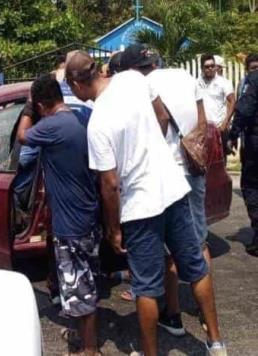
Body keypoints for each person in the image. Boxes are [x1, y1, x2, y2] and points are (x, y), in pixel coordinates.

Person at [64, 50, 226, 356]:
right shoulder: (133, 79)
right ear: (97, 68)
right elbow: (162, 116)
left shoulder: (97, 123)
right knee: (196, 267)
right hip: (174, 189)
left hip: (141, 206)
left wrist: (113, 230)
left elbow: (110, 184)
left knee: (146, 287)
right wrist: (155, 151)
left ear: (75, 83)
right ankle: (216, 343)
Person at [121, 44, 213, 338]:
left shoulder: (139, 87)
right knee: (199, 242)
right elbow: (203, 121)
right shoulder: (186, 77)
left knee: (165, 252)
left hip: (165, 177)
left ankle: (172, 315)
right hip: (193, 166)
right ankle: (206, 314)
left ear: (132, 69)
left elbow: (147, 129)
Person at [17, 74, 100, 356]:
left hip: (70, 223)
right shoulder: (77, 119)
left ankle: (89, 349)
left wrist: (28, 107)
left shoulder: (52, 125)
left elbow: (22, 135)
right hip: (85, 213)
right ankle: (78, 334)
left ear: (41, 104)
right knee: (77, 282)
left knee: (80, 286)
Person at [228, 70, 258, 257]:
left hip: (255, 144)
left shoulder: (254, 80)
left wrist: (233, 134)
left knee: (252, 186)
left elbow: (244, 110)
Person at [198, 54, 235, 158]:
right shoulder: (196, 83)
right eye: (207, 66)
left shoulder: (224, 82)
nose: (210, 68)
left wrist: (225, 123)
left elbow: (232, 101)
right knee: (204, 162)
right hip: (203, 130)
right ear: (202, 68)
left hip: (219, 129)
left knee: (220, 163)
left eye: (212, 65)